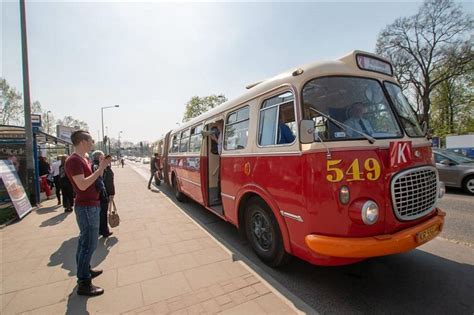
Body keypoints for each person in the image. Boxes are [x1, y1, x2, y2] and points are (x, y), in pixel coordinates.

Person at [65, 130, 110, 297]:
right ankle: (84, 283)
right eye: (91, 140)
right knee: (89, 244)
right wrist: (100, 169)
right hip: (86, 207)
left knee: (85, 243)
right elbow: (82, 185)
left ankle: (86, 270)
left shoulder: (83, 158)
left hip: (92, 205)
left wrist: (100, 168)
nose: (93, 142)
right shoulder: (73, 161)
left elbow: (91, 180)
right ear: (83, 141)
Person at [91, 150, 113, 238]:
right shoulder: (97, 166)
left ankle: (101, 229)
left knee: (101, 213)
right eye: (102, 157)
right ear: (99, 157)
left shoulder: (95, 165)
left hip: (99, 193)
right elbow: (100, 179)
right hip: (101, 193)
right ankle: (104, 231)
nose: (103, 159)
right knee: (103, 213)